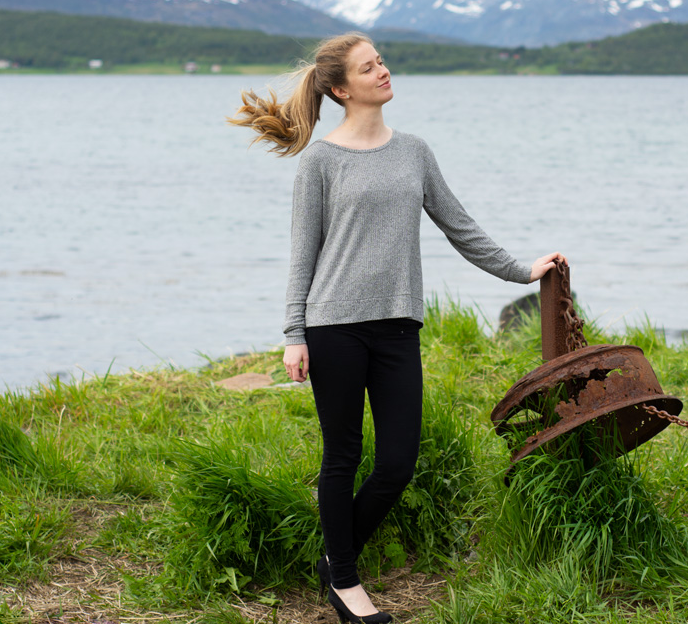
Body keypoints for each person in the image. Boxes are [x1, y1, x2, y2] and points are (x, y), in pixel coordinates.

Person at [229, 32, 563, 623]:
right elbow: (302, 255)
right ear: (341, 88)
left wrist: (520, 271)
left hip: (398, 327)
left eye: (381, 61)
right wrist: (293, 335)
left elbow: (460, 226)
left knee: (397, 463)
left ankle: (334, 559)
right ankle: (348, 586)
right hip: (334, 326)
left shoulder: (414, 151)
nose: (383, 71)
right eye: (368, 67)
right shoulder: (321, 163)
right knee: (343, 455)